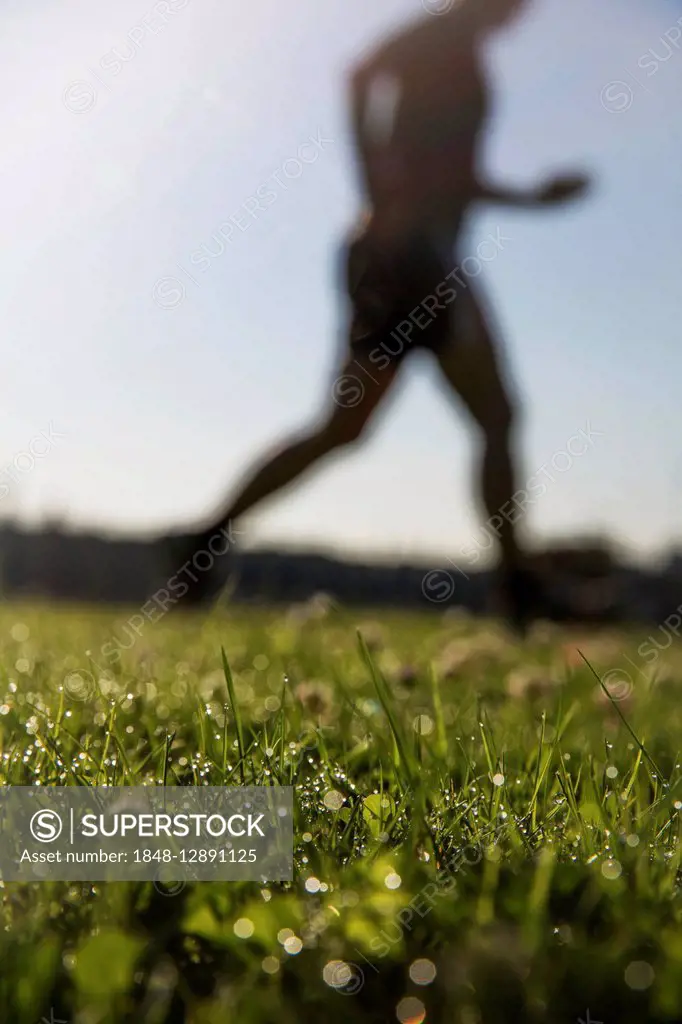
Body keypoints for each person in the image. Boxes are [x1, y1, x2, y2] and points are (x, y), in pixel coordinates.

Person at [166, 0, 591, 631]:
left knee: (358, 428)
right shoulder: (444, 32)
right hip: (408, 259)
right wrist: (375, 187)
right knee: (477, 418)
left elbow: (454, 179)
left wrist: (531, 197)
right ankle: (517, 587)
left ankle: (202, 541)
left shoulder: (464, 53)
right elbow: (361, 72)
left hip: (424, 256)